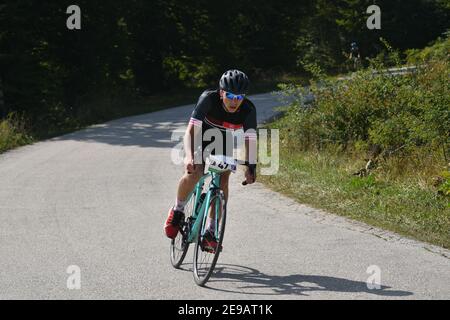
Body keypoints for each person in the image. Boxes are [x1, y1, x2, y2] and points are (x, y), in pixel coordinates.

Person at [163, 69, 258, 250]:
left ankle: (210, 230)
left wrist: (251, 166)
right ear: (221, 92)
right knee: (195, 172)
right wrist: (190, 156)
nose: (234, 101)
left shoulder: (248, 109)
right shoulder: (208, 99)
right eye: (230, 95)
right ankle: (177, 210)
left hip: (225, 141)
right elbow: (190, 132)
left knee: (223, 179)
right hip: (200, 137)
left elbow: (250, 140)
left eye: (239, 97)